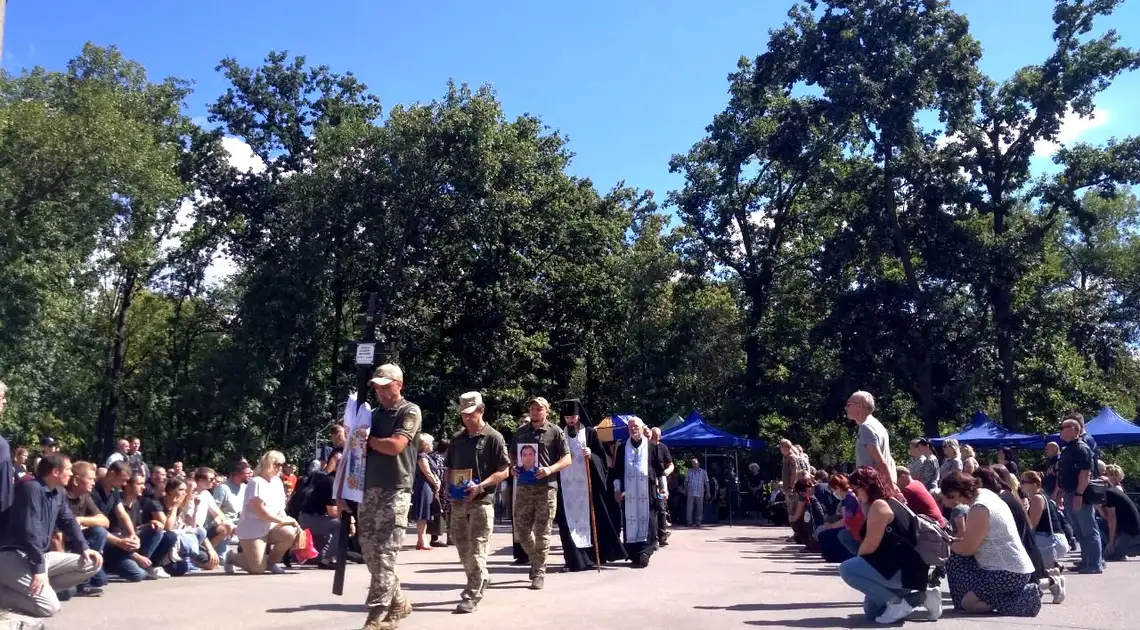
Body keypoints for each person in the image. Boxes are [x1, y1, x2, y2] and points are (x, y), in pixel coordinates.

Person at [349, 363, 421, 630]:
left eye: (385, 386)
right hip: (369, 489)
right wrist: (345, 492)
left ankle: (375, 615)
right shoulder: (372, 415)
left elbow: (396, 446)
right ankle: (399, 600)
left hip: (396, 489)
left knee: (387, 552)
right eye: (376, 388)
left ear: (398, 385)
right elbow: (353, 454)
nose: (380, 392)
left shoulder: (409, 411)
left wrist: (366, 440)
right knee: (370, 551)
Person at [0, 453, 103, 618]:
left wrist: (84, 547)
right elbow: (30, 532)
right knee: (49, 607)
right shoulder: (31, 488)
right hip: (12, 557)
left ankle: (35, 590)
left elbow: (69, 521)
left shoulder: (58, 492)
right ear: (55, 472)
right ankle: (4, 596)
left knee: (92, 562)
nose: (71, 474)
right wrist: (39, 570)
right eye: (68, 469)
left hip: (36, 556)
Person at [838, 466, 939, 623]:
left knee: (847, 569)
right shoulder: (890, 501)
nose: (854, 494)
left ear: (866, 486)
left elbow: (870, 546)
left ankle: (897, 603)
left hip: (901, 570)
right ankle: (923, 597)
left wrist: (859, 566)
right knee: (873, 612)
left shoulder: (879, 506)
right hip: (904, 569)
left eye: (856, 489)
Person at [939, 471, 1044, 616]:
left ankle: (1025, 597)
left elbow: (967, 549)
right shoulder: (987, 494)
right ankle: (1017, 595)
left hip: (1005, 573)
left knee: (967, 601)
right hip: (1015, 569)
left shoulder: (979, 508)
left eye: (947, 496)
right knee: (957, 559)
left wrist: (947, 544)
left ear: (955, 493)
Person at [445, 391, 511, 614]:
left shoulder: (494, 437)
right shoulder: (457, 439)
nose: (466, 418)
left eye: (470, 414)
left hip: (482, 502)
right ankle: (481, 577)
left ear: (481, 410)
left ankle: (471, 595)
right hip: (458, 502)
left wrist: (481, 486)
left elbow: (504, 470)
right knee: (463, 549)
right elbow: (449, 467)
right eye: (463, 414)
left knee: (477, 549)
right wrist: (449, 488)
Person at [554, 399, 626, 573]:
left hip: (587, 486)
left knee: (594, 519)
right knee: (567, 523)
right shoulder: (559, 433)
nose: (570, 420)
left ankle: (593, 558)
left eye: (573, 417)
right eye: (567, 417)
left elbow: (602, 459)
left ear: (579, 416)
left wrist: (591, 455)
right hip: (566, 485)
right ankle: (573, 560)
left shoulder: (590, 432)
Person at [510, 396, 571, 590]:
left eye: (539, 409)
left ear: (547, 411)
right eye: (532, 408)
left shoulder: (555, 432)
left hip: (546, 488)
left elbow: (567, 458)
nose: (535, 412)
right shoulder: (520, 433)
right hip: (524, 488)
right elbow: (512, 456)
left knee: (542, 532)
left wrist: (550, 469)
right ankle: (536, 559)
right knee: (521, 531)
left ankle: (538, 573)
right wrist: (512, 468)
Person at [224, 451, 300, 575]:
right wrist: (283, 521)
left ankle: (271, 562)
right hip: (252, 529)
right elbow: (261, 513)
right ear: (268, 463)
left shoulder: (277, 482)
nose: (280, 467)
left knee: (290, 532)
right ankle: (232, 557)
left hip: (271, 526)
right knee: (257, 569)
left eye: (282, 464)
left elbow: (280, 509)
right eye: (277, 464)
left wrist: (292, 523)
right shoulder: (256, 482)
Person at [612, 417, 667, 568]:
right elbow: (617, 472)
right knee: (630, 522)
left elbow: (660, 471)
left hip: (647, 492)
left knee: (649, 520)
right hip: (629, 495)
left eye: (636, 426)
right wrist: (617, 490)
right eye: (630, 426)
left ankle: (646, 550)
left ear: (642, 428)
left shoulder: (652, 447)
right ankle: (632, 551)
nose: (633, 428)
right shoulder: (623, 448)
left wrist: (664, 488)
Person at [1057, 416, 1103, 574]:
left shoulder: (1081, 448)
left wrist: (1079, 494)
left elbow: (1085, 473)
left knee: (1088, 529)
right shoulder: (1068, 449)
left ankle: (1095, 564)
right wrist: (1061, 493)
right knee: (1079, 530)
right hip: (1071, 493)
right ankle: (1086, 561)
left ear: (1074, 430)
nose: (1060, 430)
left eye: (1063, 427)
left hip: (1080, 494)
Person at [1020, 471, 1070, 570]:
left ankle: (1051, 575)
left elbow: (1032, 525)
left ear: (1034, 484)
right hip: (1053, 539)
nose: (1020, 484)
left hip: (1048, 540)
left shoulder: (1037, 498)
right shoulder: (1043, 496)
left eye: (1023, 482)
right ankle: (1054, 570)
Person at [846, 391, 897, 485]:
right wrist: (892, 482)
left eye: (849, 404)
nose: (846, 408)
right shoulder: (878, 425)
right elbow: (889, 459)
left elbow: (880, 461)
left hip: (872, 486)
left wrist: (891, 486)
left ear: (859, 406)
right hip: (881, 484)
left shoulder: (866, 427)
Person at [410, 434, 441, 551]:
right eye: (431, 443)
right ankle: (422, 541)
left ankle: (421, 540)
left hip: (426, 486)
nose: (432, 445)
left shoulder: (424, 456)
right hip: (424, 487)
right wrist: (436, 483)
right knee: (423, 514)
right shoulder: (422, 457)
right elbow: (427, 473)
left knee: (425, 514)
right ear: (425, 444)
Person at [1097, 479, 1140, 561]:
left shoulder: (1109, 494)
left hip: (1129, 530)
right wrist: (1097, 505)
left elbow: (1112, 519)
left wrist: (1111, 542)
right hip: (1124, 528)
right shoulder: (1112, 491)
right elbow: (1106, 517)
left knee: (1111, 556)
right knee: (1098, 523)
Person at [648, 427, 675, 544]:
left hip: (660, 479)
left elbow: (671, 465)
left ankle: (662, 534)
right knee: (651, 507)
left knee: (661, 506)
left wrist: (667, 472)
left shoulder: (663, 447)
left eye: (657, 436)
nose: (655, 438)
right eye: (653, 435)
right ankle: (651, 535)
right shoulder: (646, 447)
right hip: (649, 478)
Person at [685, 458, 710, 527]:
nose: (694, 465)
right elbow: (686, 482)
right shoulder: (689, 471)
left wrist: (708, 492)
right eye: (693, 463)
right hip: (691, 492)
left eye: (695, 463)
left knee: (699, 508)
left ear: (698, 463)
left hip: (700, 492)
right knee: (689, 508)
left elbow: (706, 482)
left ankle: (698, 522)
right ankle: (689, 522)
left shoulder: (703, 472)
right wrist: (686, 490)